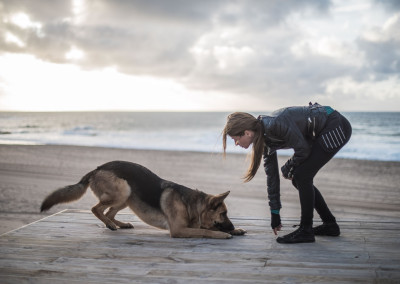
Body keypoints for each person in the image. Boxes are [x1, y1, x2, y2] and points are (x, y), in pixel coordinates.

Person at [222, 102, 352, 244]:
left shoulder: (276, 124)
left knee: (302, 176)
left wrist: (288, 166)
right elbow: (272, 177)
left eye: (235, 139)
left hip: (336, 127)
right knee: (299, 177)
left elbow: (303, 150)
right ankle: (330, 225)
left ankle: (306, 230)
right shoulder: (263, 138)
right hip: (324, 131)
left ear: (247, 133)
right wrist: (275, 213)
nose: (236, 143)